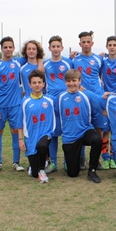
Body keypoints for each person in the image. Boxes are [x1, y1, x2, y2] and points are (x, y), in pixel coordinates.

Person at [54, 69, 105, 183]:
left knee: (97, 139)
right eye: (68, 81)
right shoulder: (60, 97)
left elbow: (102, 106)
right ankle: (72, 160)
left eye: (74, 80)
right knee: (72, 174)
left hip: (85, 131)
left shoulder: (87, 95)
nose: (71, 83)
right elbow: (54, 113)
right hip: (70, 137)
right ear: (65, 82)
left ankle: (92, 170)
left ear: (80, 81)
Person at [0, 36, 25, 173]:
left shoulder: (18, 63)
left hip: (16, 104)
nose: (8, 49)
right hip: (0, 104)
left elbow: (35, 56)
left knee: (16, 131)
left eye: (10, 47)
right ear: (1, 49)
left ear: (14, 48)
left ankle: (16, 162)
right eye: (5, 47)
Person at [72, 31, 108, 170]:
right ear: (80, 43)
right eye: (83, 42)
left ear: (92, 43)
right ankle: (81, 158)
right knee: (80, 127)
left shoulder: (99, 60)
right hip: (81, 98)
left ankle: (96, 159)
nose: (86, 44)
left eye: (88, 42)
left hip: (96, 97)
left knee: (98, 129)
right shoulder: (74, 59)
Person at [18, 70, 55, 183]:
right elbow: (20, 122)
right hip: (31, 137)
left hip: (46, 134)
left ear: (44, 84)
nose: (37, 85)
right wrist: (20, 140)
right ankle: (35, 168)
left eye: (39, 82)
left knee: (42, 145)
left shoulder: (50, 100)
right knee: (34, 174)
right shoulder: (25, 102)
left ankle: (43, 171)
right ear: (30, 85)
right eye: (34, 82)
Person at [43, 35, 73, 173]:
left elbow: (74, 80)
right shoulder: (45, 64)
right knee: (53, 133)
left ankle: (68, 162)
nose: (55, 49)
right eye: (53, 46)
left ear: (62, 48)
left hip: (66, 101)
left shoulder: (68, 63)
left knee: (68, 132)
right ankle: (53, 163)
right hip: (51, 101)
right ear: (49, 48)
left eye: (58, 46)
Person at [99, 35, 116, 169]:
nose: (112, 47)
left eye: (114, 45)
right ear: (107, 46)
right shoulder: (102, 59)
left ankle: (114, 156)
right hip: (106, 98)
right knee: (105, 130)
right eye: (110, 45)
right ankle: (105, 157)